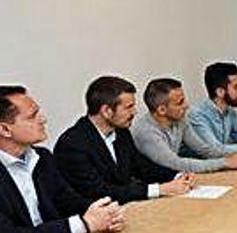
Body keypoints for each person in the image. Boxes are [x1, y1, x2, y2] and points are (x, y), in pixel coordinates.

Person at [0, 86, 125, 233]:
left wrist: (103, 213)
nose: (43, 119)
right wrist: (83, 224)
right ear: (5, 130)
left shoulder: (42, 157)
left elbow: (67, 200)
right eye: (32, 116)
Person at [54, 76, 195, 204]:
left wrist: (176, 176)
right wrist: (159, 189)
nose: (135, 112)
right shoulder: (72, 144)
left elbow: (141, 166)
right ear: (107, 111)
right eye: (129, 107)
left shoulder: (121, 132)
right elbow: (99, 191)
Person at [131, 78, 237, 173]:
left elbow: (204, 149)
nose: (187, 106)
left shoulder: (180, 120)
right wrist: (226, 162)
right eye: (180, 103)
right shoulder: (146, 132)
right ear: (162, 110)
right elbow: (177, 164)